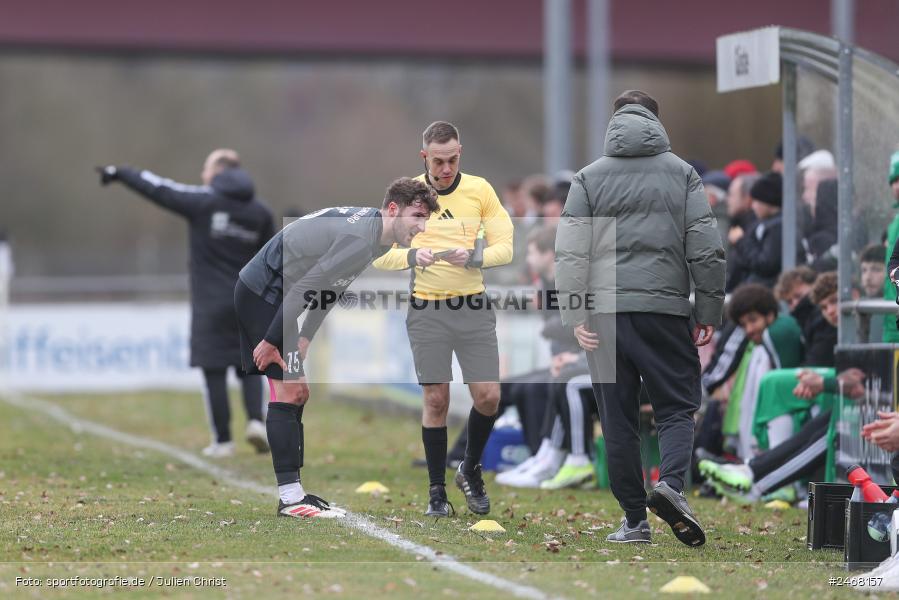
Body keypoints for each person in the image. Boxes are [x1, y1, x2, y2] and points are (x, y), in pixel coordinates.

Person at [555, 90, 726, 546]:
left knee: (618, 419)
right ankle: (670, 483)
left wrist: (574, 312)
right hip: (665, 309)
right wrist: (708, 309)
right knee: (676, 406)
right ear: (656, 120)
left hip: (604, 316)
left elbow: (570, 252)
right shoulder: (684, 174)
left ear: (613, 122)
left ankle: (635, 521)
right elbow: (706, 249)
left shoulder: (588, 178)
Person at [235, 177, 438, 518]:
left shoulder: (379, 238)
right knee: (289, 392)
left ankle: (294, 493)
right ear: (392, 209)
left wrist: (305, 336)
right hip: (264, 294)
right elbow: (308, 287)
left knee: (298, 394)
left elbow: (331, 288)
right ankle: (290, 500)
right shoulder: (362, 239)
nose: (421, 226)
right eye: (416, 216)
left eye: (425, 219)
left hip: (277, 296)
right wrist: (271, 341)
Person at [372, 121, 514, 518]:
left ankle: (469, 468)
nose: (446, 168)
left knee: (488, 397)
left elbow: (506, 246)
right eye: (438, 161)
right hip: (427, 310)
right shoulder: (409, 195)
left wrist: (474, 256)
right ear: (425, 158)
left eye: (452, 160)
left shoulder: (480, 190)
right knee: (436, 399)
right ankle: (437, 492)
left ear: (460, 154)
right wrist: (412, 256)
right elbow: (378, 251)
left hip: (472, 305)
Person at [97, 150, 275, 457]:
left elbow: (159, 188)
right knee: (249, 366)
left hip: (210, 303)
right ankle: (256, 422)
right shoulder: (260, 212)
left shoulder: (204, 202)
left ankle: (222, 442)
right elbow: (273, 257)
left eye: (206, 169)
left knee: (214, 369)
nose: (203, 175)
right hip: (248, 300)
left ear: (217, 172)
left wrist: (120, 172)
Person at [727, 171, 784, 290]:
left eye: (757, 202)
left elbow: (766, 264)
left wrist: (740, 242)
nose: (753, 206)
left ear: (769, 202)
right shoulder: (763, 224)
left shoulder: (775, 227)